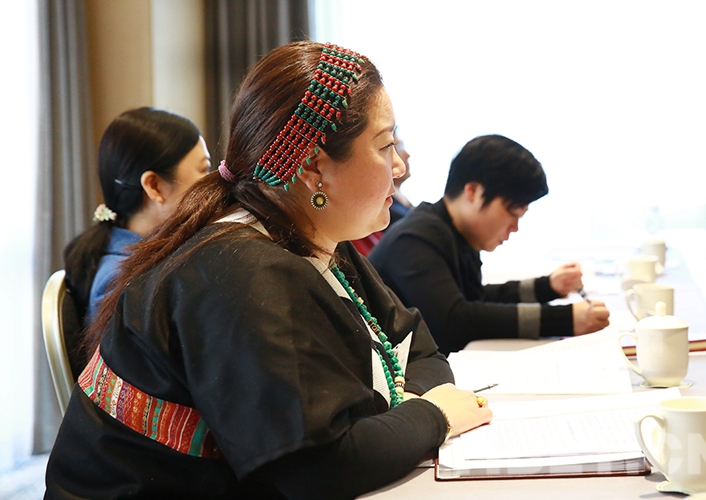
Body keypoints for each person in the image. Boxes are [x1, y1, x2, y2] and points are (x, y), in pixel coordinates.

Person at [45, 42, 492, 499]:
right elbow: (316, 471)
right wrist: (432, 416)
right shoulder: (241, 270)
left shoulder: (313, 234)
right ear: (315, 167)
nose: (399, 167)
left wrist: (404, 414)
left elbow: (419, 347)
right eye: (385, 145)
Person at [369, 134, 610, 354]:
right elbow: (454, 322)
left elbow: (475, 298)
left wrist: (547, 287)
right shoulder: (415, 239)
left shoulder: (453, 231)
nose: (515, 227)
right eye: (512, 213)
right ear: (473, 191)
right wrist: (565, 319)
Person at [61, 107, 210, 375]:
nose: (213, 184)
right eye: (204, 170)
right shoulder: (121, 281)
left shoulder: (143, 260)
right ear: (154, 186)